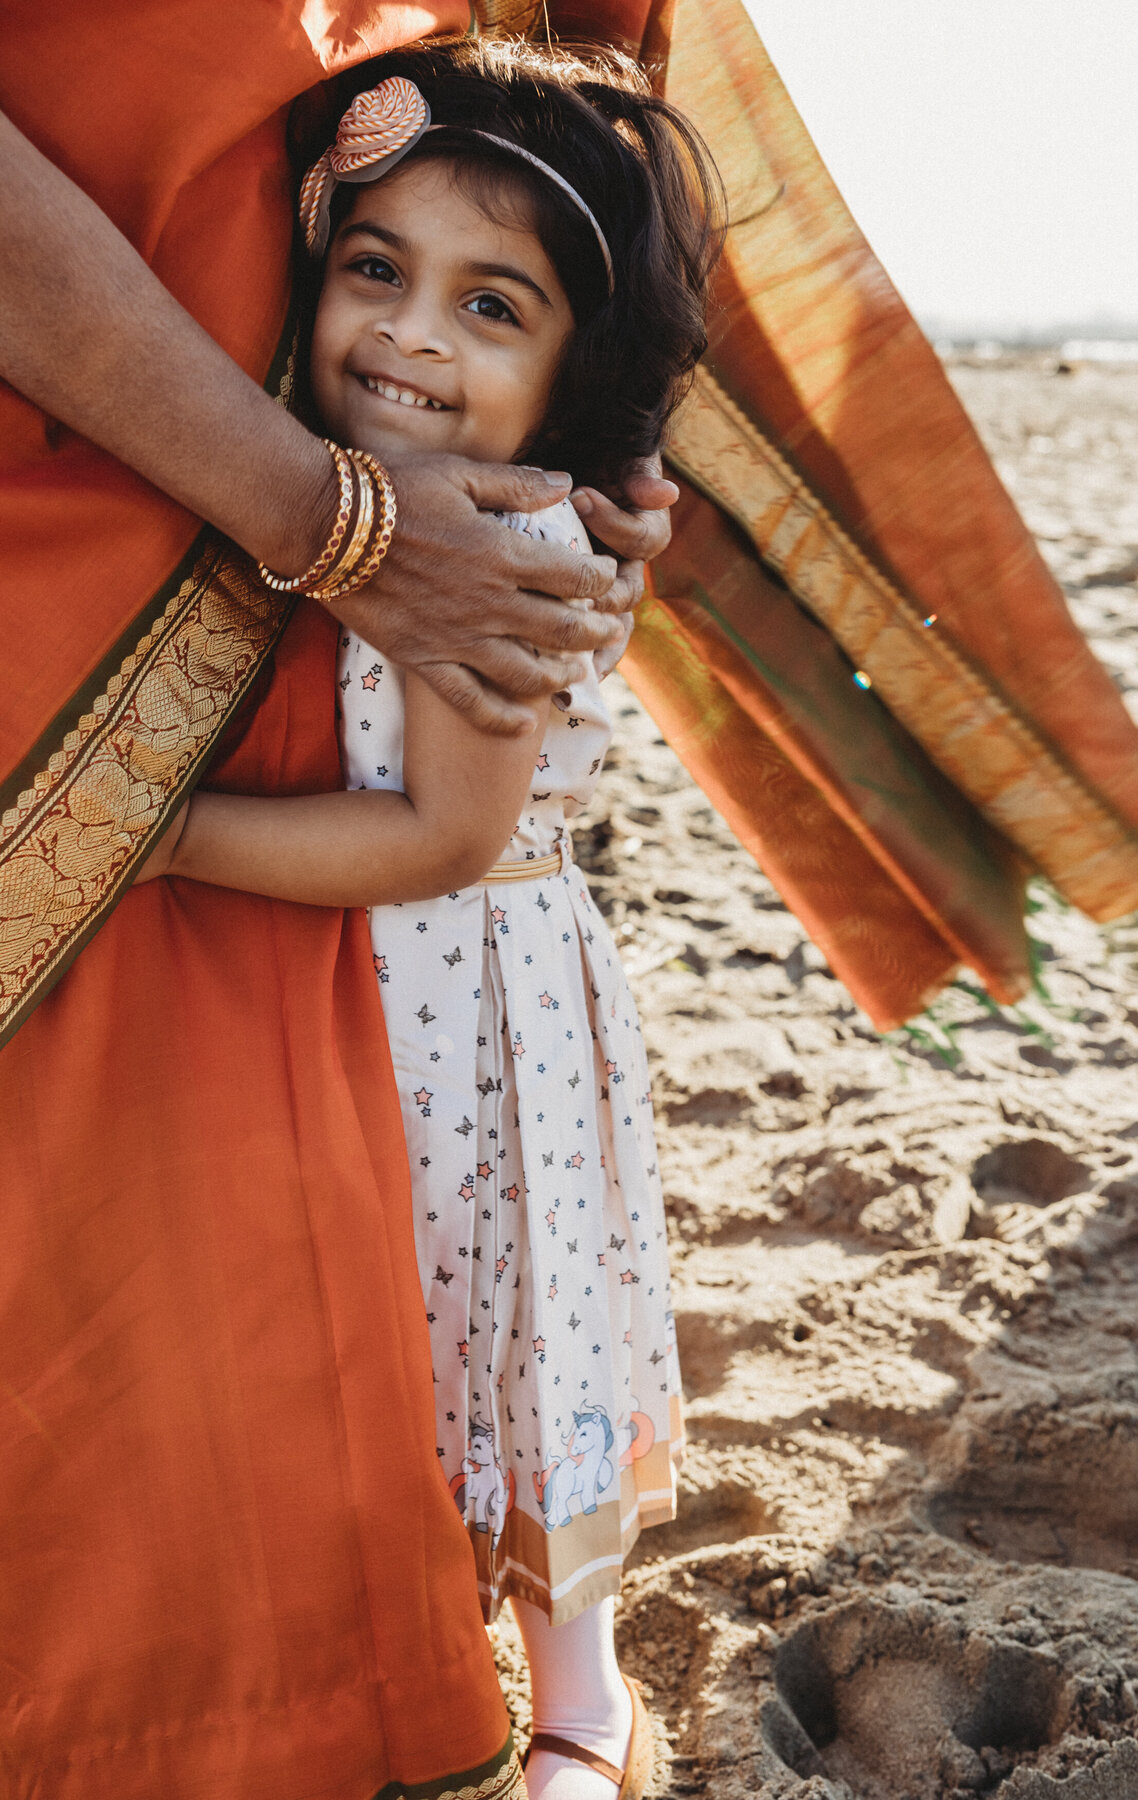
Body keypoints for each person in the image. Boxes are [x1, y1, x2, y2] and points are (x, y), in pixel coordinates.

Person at [0, 6, 676, 1796]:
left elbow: (440, 843)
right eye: (375, 269)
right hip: (373, 994)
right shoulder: (360, 488)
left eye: (490, 308)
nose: (408, 337)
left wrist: (152, 837)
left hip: (470, 1011)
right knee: (413, 1357)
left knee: (512, 1356)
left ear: (574, 372)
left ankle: (584, 1706)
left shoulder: (508, 546)